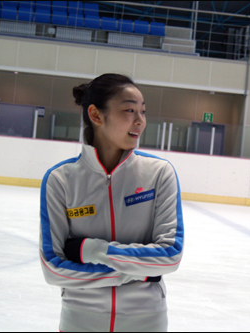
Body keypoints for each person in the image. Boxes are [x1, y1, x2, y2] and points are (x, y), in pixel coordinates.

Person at [39, 73, 184, 332]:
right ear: (96, 115)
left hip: (146, 320)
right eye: (129, 110)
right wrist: (137, 272)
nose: (140, 121)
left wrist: (91, 250)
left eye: (143, 111)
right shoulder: (60, 179)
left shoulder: (159, 173)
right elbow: (53, 268)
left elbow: (170, 256)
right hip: (80, 321)